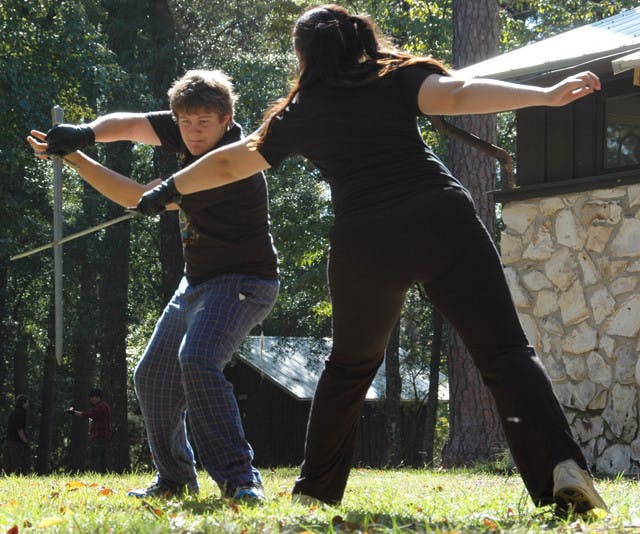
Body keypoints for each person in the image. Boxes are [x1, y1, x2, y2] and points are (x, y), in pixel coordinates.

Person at [135, 6, 605, 513]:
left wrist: (169, 188)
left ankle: (317, 489)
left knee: (349, 367)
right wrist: (545, 96)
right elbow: (460, 94)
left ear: (305, 54)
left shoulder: (302, 109)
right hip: (441, 219)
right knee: (506, 354)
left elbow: (231, 160)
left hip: (366, 239)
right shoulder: (397, 74)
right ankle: (560, 467)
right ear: (360, 37)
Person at [28, 69, 279, 501]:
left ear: (226, 119)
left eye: (204, 123)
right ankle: (175, 478)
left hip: (244, 283)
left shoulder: (231, 162)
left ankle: (240, 479)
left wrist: (75, 159)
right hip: (197, 283)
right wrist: (84, 134)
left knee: (197, 359)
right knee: (153, 376)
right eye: (186, 123)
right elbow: (128, 125)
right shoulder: (184, 127)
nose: (194, 132)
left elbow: (134, 196)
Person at [68, 388, 112, 472]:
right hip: (103, 435)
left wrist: (74, 412)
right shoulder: (103, 406)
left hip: (100, 435)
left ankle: (97, 473)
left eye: (93, 397)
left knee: (96, 456)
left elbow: (88, 414)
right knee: (101, 456)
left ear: (98, 397)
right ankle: (102, 473)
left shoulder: (101, 406)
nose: (91, 399)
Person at [3, 394, 32, 475]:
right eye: (27, 402)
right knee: (16, 463)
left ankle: (7, 477)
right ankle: (16, 476)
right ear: (23, 403)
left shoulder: (13, 412)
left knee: (8, 463)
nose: (28, 404)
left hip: (8, 441)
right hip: (15, 443)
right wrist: (25, 441)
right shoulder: (21, 413)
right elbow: (19, 429)